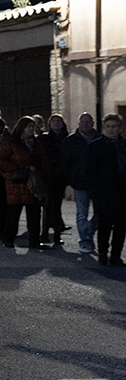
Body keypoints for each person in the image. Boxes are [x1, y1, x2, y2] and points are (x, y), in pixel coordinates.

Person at [0, 116, 50, 250]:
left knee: (34, 213)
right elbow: (0, 160)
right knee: (14, 211)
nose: (31, 129)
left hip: (33, 182)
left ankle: (34, 241)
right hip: (16, 181)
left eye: (33, 126)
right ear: (22, 128)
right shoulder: (11, 142)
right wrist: (15, 169)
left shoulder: (36, 143)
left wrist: (44, 177)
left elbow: (42, 161)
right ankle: (8, 239)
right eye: (28, 126)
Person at [85, 114, 126, 266]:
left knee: (121, 226)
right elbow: (90, 170)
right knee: (105, 224)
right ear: (104, 127)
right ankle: (103, 253)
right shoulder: (96, 146)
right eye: (108, 126)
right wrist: (95, 190)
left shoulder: (124, 145)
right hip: (104, 192)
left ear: (119, 127)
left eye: (114, 126)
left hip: (122, 192)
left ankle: (116, 255)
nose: (111, 129)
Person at [61, 113, 98, 254]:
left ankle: (88, 232)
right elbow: (65, 163)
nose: (85, 124)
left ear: (93, 123)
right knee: (82, 213)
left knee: (100, 212)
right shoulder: (70, 141)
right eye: (82, 122)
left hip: (96, 183)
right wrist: (69, 183)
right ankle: (85, 240)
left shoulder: (99, 138)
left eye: (88, 122)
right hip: (79, 182)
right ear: (79, 123)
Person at [39, 114, 70, 245]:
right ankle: (45, 233)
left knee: (57, 206)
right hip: (48, 175)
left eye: (59, 121)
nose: (56, 123)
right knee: (48, 206)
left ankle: (57, 235)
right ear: (49, 124)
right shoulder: (44, 138)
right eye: (54, 121)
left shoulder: (67, 139)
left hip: (60, 176)